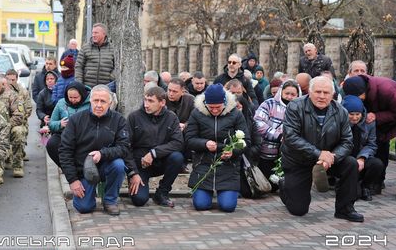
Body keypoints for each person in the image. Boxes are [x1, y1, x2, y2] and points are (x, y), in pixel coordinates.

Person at [279, 76, 362, 222]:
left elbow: (347, 141)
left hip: (328, 159)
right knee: (299, 210)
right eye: (318, 92)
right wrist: (318, 154)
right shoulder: (295, 106)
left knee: (351, 164)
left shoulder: (341, 111)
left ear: (333, 95)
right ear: (309, 92)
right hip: (299, 160)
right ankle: (285, 186)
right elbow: (291, 137)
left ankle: (345, 209)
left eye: (326, 92)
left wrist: (333, 157)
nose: (322, 96)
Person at [59, 85, 129, 215]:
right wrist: (73, 180)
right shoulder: (76, 120)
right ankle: (88, 194)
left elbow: (124, 148)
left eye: (103, 101)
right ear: (90, 101)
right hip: (83, 171)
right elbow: (65, 151)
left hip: (106, 166)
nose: (98, 105)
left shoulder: (119, 120)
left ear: (110, 103)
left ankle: (110, 201)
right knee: (84, 207)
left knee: (119, 165)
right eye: (95, 100)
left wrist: (102, 154)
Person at [185, 84, 249, 212]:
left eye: (218, 107)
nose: (214, 110)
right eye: (211, 107)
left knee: (228, 207)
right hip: (204, 165)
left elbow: (246, 141)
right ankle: (205, 195)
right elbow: (189, 139)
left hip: (228, 166)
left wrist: (232, 151)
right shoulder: (196, 113)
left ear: (225, 103)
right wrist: (204, 144)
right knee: (201, 205)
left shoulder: (235, 114)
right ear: (205, 103)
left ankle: (225, 194)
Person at [125, 87, 184, 207]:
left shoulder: (171, 117)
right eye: (145, 100)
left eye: (151, 101)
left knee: (177, 157)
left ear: (162, 102)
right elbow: (126, 147)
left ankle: (162, 193)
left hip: (161, 161)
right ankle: (138, 184)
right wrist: (132, 173)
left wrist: (154, 153)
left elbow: (178, 142)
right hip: (139, 165)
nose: (146, 104)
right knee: (139, 200)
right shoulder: (134, 117)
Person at [342, 75, 396, 196]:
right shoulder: (363, 91)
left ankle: (376, 183)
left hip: (391, 120)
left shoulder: (387, 90)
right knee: (376, 147)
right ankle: (370, 183)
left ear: (362, 92)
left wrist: (376, 116)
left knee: (381, 153)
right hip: (378, 124)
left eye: (357, 98)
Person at [254, 80, 301, 191]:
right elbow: (258, 122)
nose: (289, 97)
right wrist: (278, 135)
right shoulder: (269, 104)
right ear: (281, 92)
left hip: (289, 153)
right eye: (287, 93)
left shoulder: (301, 108)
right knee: (269, 185)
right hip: (267, 151)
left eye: (293, 95)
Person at [341, 95, 384, 202]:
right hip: (346, 159)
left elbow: (371, 144)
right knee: (354, 194)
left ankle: (366, 186)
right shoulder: (340, 122)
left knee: (377, 164)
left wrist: (362, 158)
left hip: (361, 157)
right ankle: (346, 184)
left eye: (357, 114)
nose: (355, 118)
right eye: (351, 114)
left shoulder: (369, 123)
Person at [47, 82, 91, 167]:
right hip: (65, 134)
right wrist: (60, 124)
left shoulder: (90, 103)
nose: (73, 100)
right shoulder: (61, 103)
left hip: (83, 135)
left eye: (76, 97)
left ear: (82, 95)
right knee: (52, 144)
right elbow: (51, 124)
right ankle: (66, 168)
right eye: (70, 97)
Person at [5, 69, 32, 177]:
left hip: (19, 121)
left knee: (18, 132)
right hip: (3, 122)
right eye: (8, 79)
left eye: (13, 79)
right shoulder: (2, 90)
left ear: (17, 79)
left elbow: (28, 108)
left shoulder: (22, 91)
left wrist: (19, 119)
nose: (10, 82)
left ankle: (17, 161)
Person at [75, 23, 115, 88]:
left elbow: (117, 66)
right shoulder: (85, 48)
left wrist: (111, 77)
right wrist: (79, 84)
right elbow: (78, 66)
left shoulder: (113, 48)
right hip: (87, 88)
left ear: (104, 34)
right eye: (93, 33)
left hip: (107, 87)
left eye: (96, 33)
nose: (93, 35)